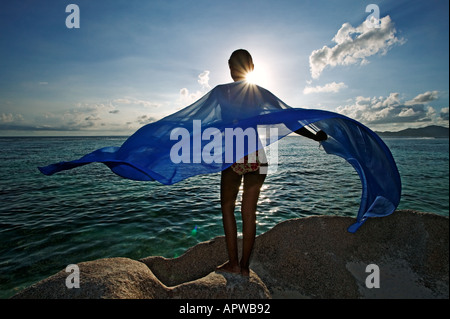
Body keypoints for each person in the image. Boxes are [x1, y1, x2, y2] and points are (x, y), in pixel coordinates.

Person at [216, 49, 327, 276]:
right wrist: (315, 135)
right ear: (251, 67)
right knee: (250, 213)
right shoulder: (259, 93)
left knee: (227, 207)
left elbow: (216, 123)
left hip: (234, 153)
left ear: (230, 67)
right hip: (257, 155)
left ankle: (233, 263)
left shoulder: (221, 92)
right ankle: (245, 267)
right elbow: (288, 119)